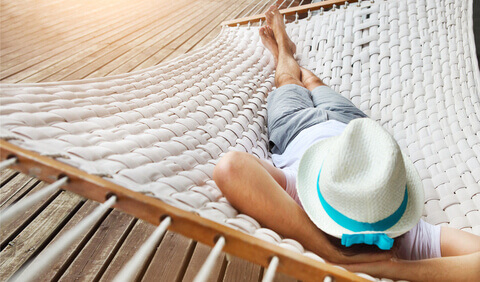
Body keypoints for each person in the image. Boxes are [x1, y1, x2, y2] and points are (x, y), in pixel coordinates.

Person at [213, 4, 480, 281]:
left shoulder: (302, 198)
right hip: (352, 127)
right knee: (315, 82)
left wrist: (383, 265)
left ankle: (283, 50)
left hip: (295, 126)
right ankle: (285, 47)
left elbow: (230, 168)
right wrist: (345, 257)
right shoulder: (404, 232)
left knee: (288, 79)